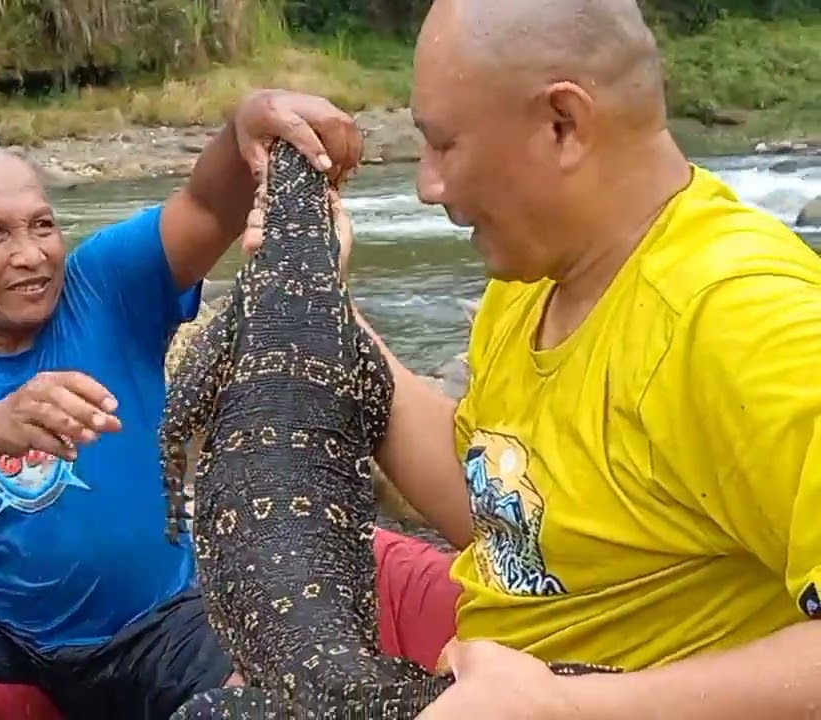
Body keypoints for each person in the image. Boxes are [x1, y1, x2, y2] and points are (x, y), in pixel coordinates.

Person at [0, 90, 460, 720]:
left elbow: (208, 205)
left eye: (42, 225)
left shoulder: (106, 287)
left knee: (284, 696)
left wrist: (244, 124)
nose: (31, 255)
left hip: (167, 620)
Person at [264, 0, 821, 716]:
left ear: (564, 123)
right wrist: (319, 308)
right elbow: (506, 519)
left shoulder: (746, 321)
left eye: (443, 145)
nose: (426, 185)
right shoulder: (535, 281)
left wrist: (564, 708)